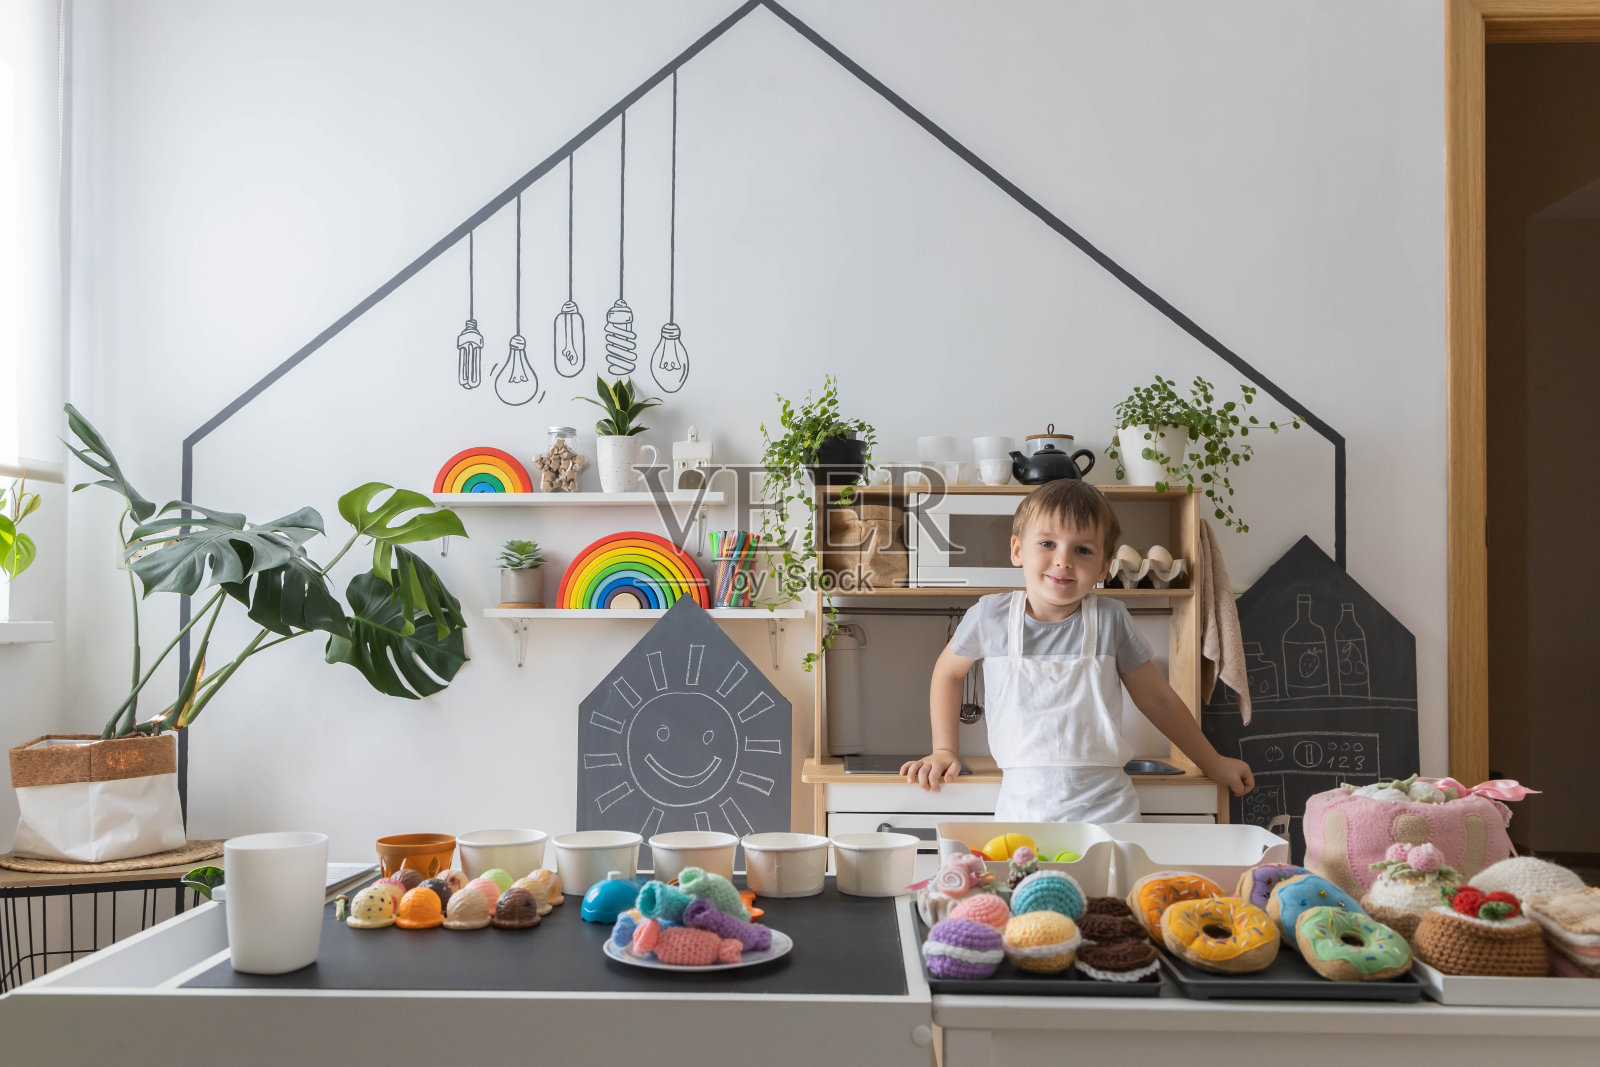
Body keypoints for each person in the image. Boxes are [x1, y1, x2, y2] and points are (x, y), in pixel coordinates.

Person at [899, 478, 1254, 822]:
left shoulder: (1111, 618)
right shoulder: (989, 615)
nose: (1063, 560)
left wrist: (1212, 763)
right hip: (1023, 809)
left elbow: (1158, 701)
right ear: (1018, 550)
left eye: (1082, 549)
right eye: (1047, 544)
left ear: (1103, 567)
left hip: (1107, 807)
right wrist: (945, 750)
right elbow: (948, 673)